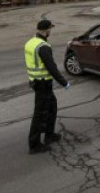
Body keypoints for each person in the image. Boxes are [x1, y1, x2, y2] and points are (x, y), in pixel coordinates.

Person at [24, 19, 70, 154]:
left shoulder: (30, 42)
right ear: (46, 30)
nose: (51, 31)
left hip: (36, 81)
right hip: (42, 83)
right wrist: (64, 82)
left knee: (51, 107)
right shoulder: (43, 46)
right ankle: (34, 145)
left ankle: (49, 135)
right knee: (39, 114)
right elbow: (52, 68)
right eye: (50, 29)